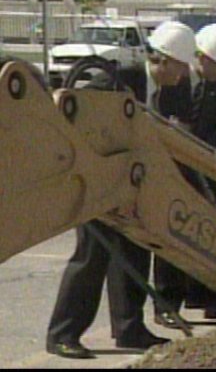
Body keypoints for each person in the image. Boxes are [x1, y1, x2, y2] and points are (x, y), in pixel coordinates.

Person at [46, 21, 196, 359]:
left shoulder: (165, 89)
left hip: (126, 186)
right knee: (91, 257)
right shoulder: (117, 80)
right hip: (95, 182)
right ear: (165, 60)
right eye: (182, 66)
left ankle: (129, 328)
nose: (184, 75)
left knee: (135, 250)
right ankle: (63, 333)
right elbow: (75, 118)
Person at [153, 23, 216, 326]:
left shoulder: (215, 85)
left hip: (205, 168)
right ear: (202, 58)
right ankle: (167, 301)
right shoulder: (180, 83)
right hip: (177, 170)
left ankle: (203, 292)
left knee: (208, 233)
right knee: (174, 233)